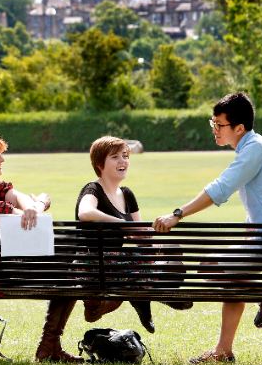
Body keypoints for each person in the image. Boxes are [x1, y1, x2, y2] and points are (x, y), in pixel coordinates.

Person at [153, 92, 262, 365]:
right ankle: (223, 350)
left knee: (210, 267)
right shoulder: (256, 146)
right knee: (231, 277)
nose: (214, 129)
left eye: (220, 125)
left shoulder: (254, 149)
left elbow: (221, 188)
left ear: (239, 128)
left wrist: (177, 214)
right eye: (212, 123)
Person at [0, 130, 82, 363]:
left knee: (69, 267)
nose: (2, 159)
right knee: (70, 268)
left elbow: (15, 196)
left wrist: (32, 206)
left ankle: (50, 346)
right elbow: (22, 215)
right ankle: (50, 346)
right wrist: (38, 203)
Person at [75, 136, 192, 335]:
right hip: (96, 264)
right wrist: (121, 224)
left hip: (119, 264)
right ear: (99, 164)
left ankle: (143, 295)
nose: (123, 161)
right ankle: (147, 294)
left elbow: (139, 234)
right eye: (115, 157)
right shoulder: (93, 189)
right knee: (166, 265)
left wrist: (146, 236)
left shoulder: (127, 194)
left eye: (125, 156)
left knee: (172, 251)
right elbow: (85, 212)